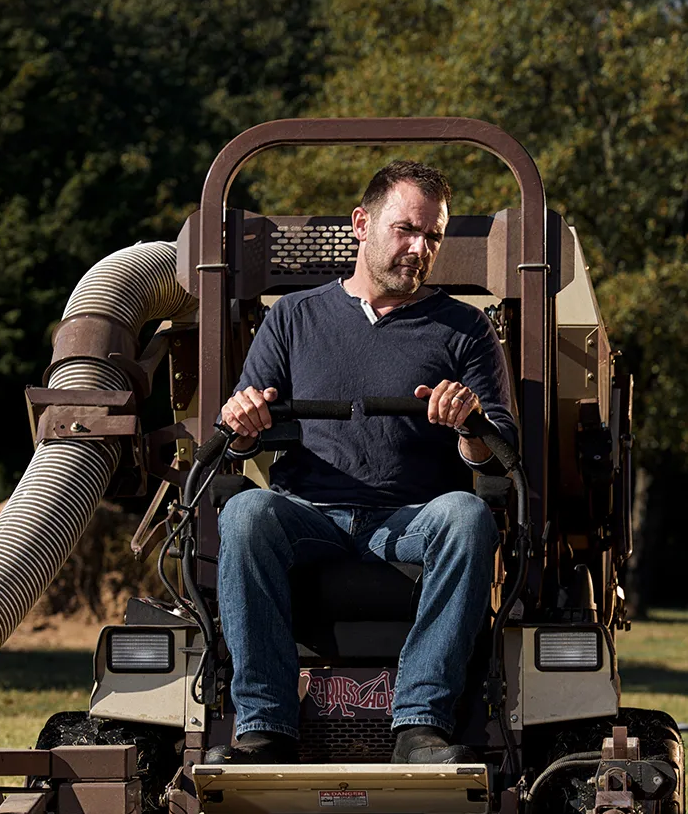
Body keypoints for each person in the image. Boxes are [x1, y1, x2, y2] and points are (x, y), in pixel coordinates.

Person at [206, 160, 518, 765]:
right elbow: (242, 434)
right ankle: (264, 727)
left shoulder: (465, 328)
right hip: (308, 513)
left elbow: (499, 451)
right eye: (405, 229)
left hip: (411, 518)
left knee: (467, 516)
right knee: (245, 513)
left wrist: (469, 427)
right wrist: (241, 424)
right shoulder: (292, 318)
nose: (419, 248)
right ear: (361, 224)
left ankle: (421, 724)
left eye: (432, 236)